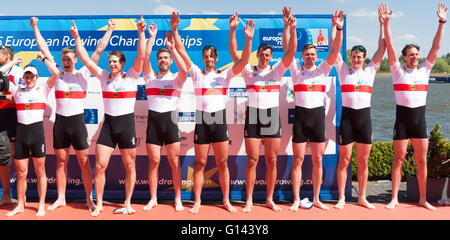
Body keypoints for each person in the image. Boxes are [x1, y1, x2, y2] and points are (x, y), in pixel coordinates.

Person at [30, 17, 116, 212]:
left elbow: (98, 51)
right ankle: (61, 198)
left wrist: (109, 29)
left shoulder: (84, 73)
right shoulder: (58, 73)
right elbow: (44, 49)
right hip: (60, 123)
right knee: (61, 161)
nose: (66, 62)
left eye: (70, 59)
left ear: (76, 60)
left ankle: (89, 197)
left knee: (84, 161)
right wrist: (35, 27)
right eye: (64, 60)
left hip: (77, 123)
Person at [171, 11, 254, 214]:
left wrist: (243, 36)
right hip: (202, 121)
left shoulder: (225, 75)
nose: (208, 59)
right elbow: (181, 50)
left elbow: (243, 62)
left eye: (211, 57)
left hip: (218, 121)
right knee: (200, 163)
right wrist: (174, 30)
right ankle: (197, 201)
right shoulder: (197, 73)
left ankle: (226, 200)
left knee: (222, 162)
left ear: (217, 58)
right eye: (205, 57)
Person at [70, 14, 146, 216]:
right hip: (109, 126)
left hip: (127, 125)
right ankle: (100, 203)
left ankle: (128, 202)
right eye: (110, 61)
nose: (111, 64)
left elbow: (141, 55)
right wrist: (77, 38)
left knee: (130, 166)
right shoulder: (103, 76)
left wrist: (141, 32)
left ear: (122, 63)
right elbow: (85, 59)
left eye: (115, 61)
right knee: (100, 165)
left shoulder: (132, 76)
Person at [228, 8, 297, 213]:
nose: (264, 58)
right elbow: (234, 53)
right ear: (257, 55)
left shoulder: (276, 71)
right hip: (253, 116)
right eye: (262, 55)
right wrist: (234, 32)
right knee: (251, 160)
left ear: (270, 56)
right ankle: (249, 199)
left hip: (271, 116)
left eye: (268, 55)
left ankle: (268, 199)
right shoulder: (249, 72)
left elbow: (291, 52)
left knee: (272, 159)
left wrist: (290, 27)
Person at [380, 2, 447, 210]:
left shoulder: (425, 70)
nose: (415, 57)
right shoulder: (397, 70)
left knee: (422, 162)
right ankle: (394, 199)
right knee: (398, 159)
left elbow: (436, 47)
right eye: (411, 55)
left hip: (420, 120)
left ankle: (422, 199)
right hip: (402, 120)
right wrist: (386, 23)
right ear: (404, 57)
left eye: (417, 54)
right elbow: (390, 46)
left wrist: (442, 22)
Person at [287, 9, 344, 211]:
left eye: (313, 54)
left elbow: (335, 50)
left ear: (316, 56)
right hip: (301, 120)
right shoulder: (296, 71)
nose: (310, 57)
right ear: (302, 56)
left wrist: (337, 27)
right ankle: (296, 198)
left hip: (318, 119)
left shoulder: (322, 70)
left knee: (318, 159)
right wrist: (290, 27)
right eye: (307, 54)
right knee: (298, 160)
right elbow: (288, 49)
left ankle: (317, 198)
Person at [331, 5, 386, 210]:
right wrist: (337, 28)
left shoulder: (370, 71)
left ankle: (362, 197)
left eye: (359, 57)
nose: (356, 59)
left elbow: (381, 50)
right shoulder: (343, 69)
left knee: (363, 161)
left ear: (364, 59)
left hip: (364, 119)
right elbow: (334, 49)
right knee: (344, 160)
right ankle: (342, 197)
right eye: (353, 56)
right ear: (350, 57)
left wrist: (382, 24)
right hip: (347, 118)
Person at [5, 54, 60, 217]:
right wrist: (13, 62)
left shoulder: (43, 89)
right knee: (21, 173)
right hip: (21, 133)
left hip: (37, 134)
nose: (28, 78)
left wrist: (43, 60)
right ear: (23, 77)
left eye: (31, 76)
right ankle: (21, 204)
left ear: (36, 77)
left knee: (40, 171)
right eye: (26, 76)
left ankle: (41, 204)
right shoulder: (17, 90)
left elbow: (56, 73)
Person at [142, 22, 187, 212]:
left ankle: (178, 198)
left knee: (174, 161)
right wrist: (150, 37)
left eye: (166, 58)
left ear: (170, 61)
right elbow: (144, 57)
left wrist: (173, 49)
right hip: (153, 121)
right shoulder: (149, 76)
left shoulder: (177, 78)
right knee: (154, 162)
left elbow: (185, 70)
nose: (163, 60)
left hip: (170, 122)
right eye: (160, 58)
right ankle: (153, 198)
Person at [0, 45, 23, 207]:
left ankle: (21, 197)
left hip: (15, 116)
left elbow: (20, 99)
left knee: (18, 157)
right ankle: (6, 195)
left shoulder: (20, 73)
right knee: (3, 157)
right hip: (1, 117)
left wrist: (1, 97)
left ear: (6, 55)